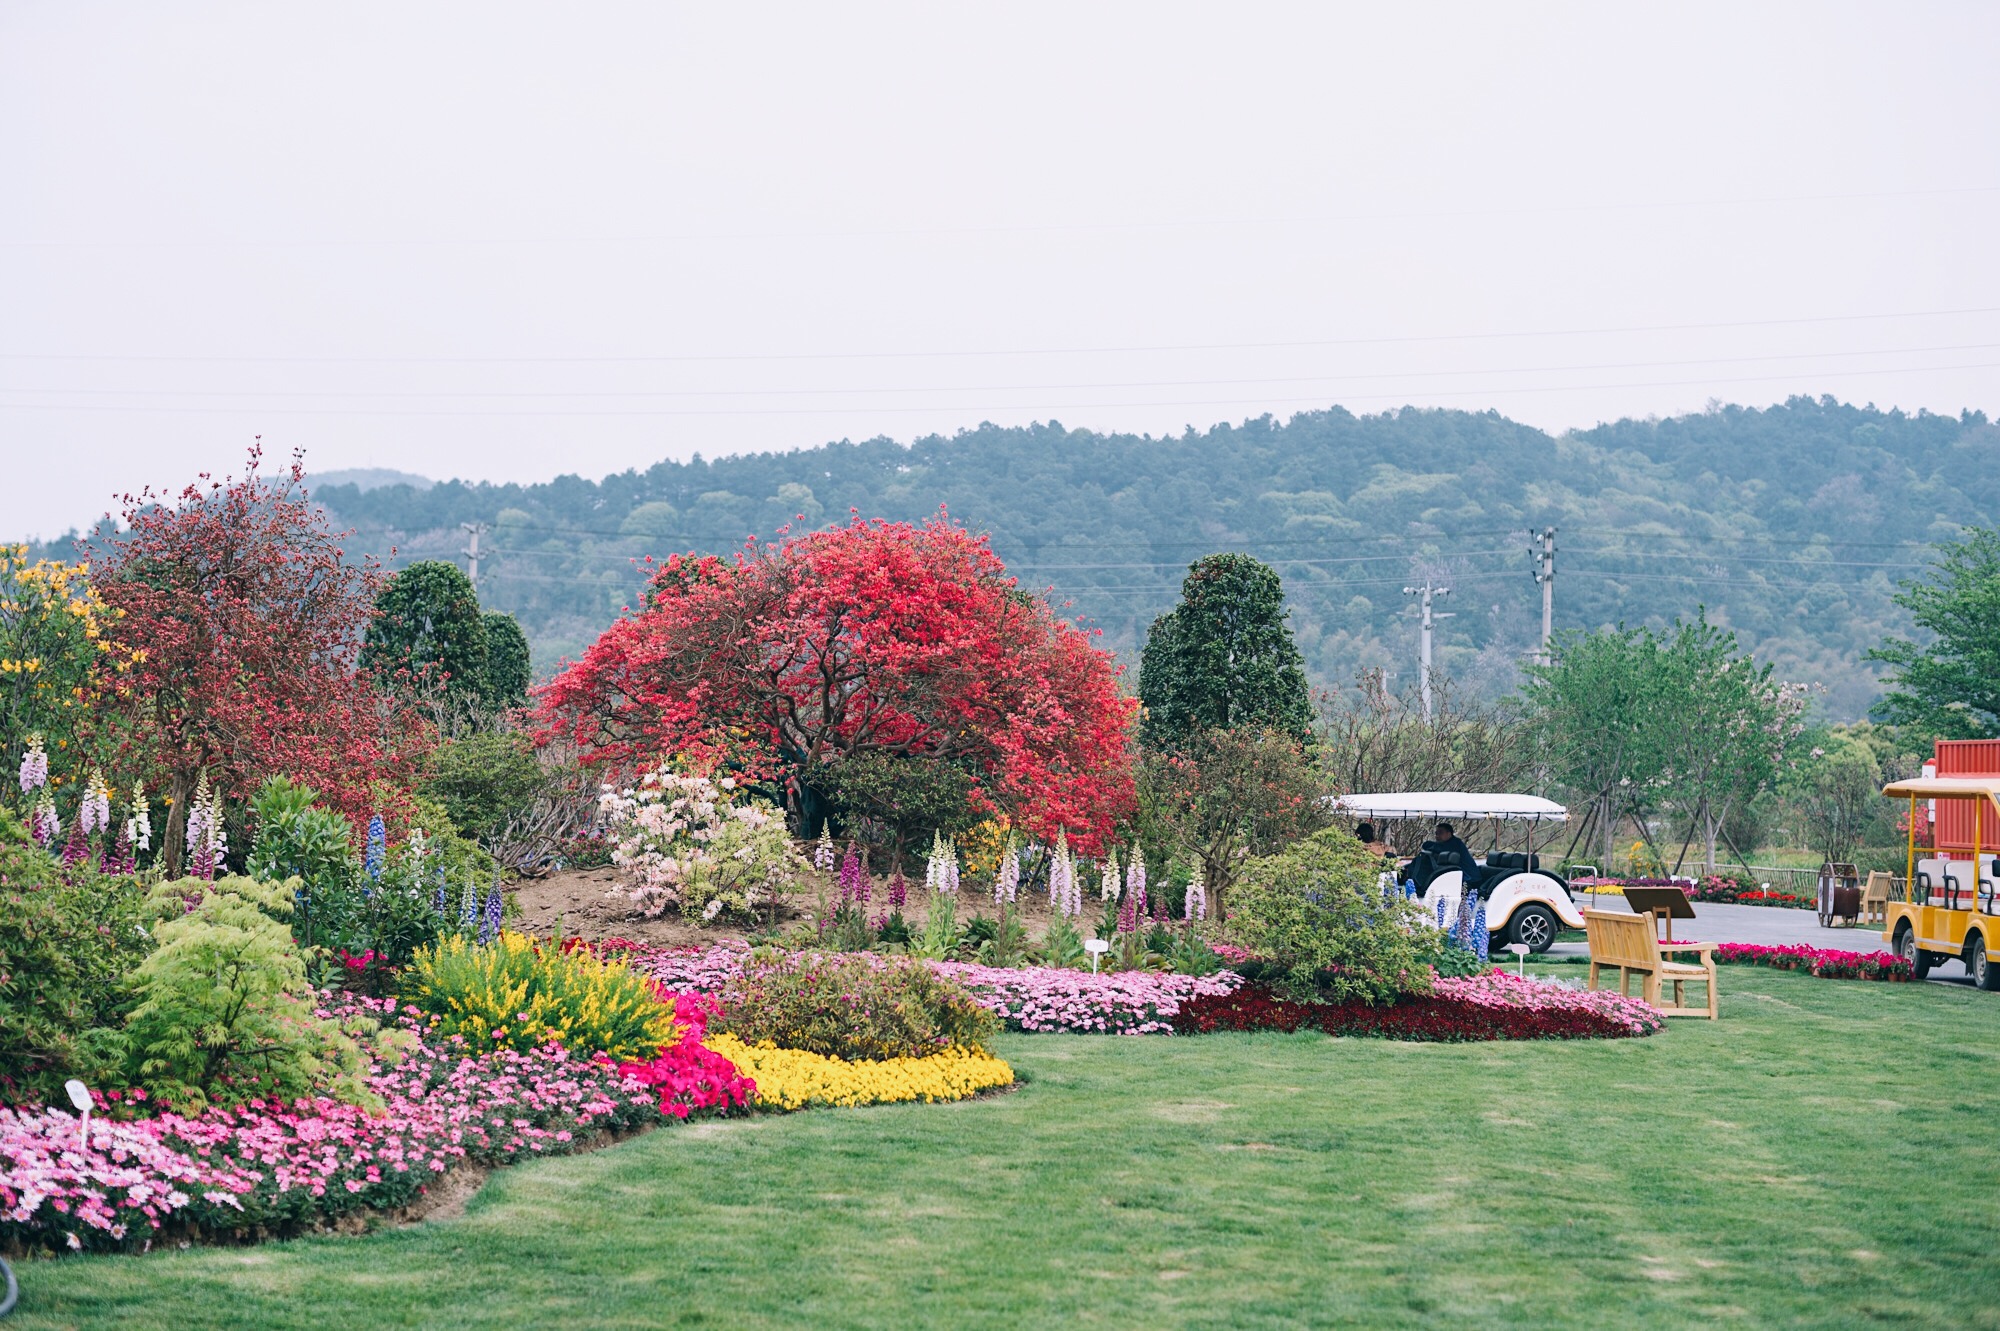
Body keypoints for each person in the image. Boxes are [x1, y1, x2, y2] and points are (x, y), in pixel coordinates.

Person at [1423, 821, 1479, 888]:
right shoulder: (1444, 844)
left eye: (1440, 833)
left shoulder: (1455, 844)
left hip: (1470, 879)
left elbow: (1433, 846)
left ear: (1449, 834)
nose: (1437, 836)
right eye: (1436, 833)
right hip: (1458, 877)